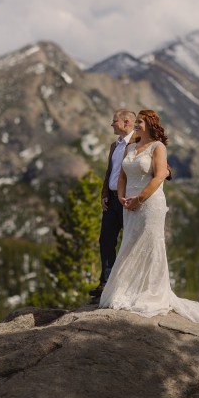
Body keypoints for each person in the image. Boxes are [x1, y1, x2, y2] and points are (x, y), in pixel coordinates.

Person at [98, 109, 199, 334]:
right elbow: (120, 175)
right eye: (136, 122)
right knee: (128, 243)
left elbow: (160, 175)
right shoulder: (128, 147)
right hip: (126, 203)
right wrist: (121, 197)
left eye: (140, 122)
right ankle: (126, 288)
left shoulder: (157, 147)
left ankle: (149, 291)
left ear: (150, 125)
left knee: (150, 244)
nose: (136, 125)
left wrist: (140, 199)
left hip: (149, 204)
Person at [89, 109, 135, 300]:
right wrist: (104, 194)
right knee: (106, 241)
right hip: (112, 200)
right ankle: (106, 284)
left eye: (114, 121)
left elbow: (158, 163)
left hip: (128, 201)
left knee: (130, 243)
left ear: (126, 122)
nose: (111, 124)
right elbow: (110, 172)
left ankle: (128, 285)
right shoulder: (114, 146)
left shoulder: (139, 142)